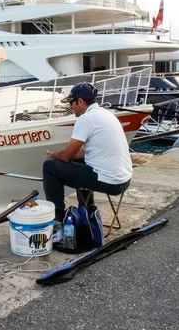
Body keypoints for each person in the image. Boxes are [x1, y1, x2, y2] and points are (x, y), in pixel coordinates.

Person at [43, 82, 132, 226]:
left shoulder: (86, 118)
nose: (71, 107)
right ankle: (86, 209)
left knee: (49, 167)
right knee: (80, 163)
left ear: (80, 101)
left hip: (110, 182)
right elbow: (84, 153)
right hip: (124, 180)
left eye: (72, 102)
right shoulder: (106, 114)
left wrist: (53, 155)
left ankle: (56, 218)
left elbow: (66, 156)